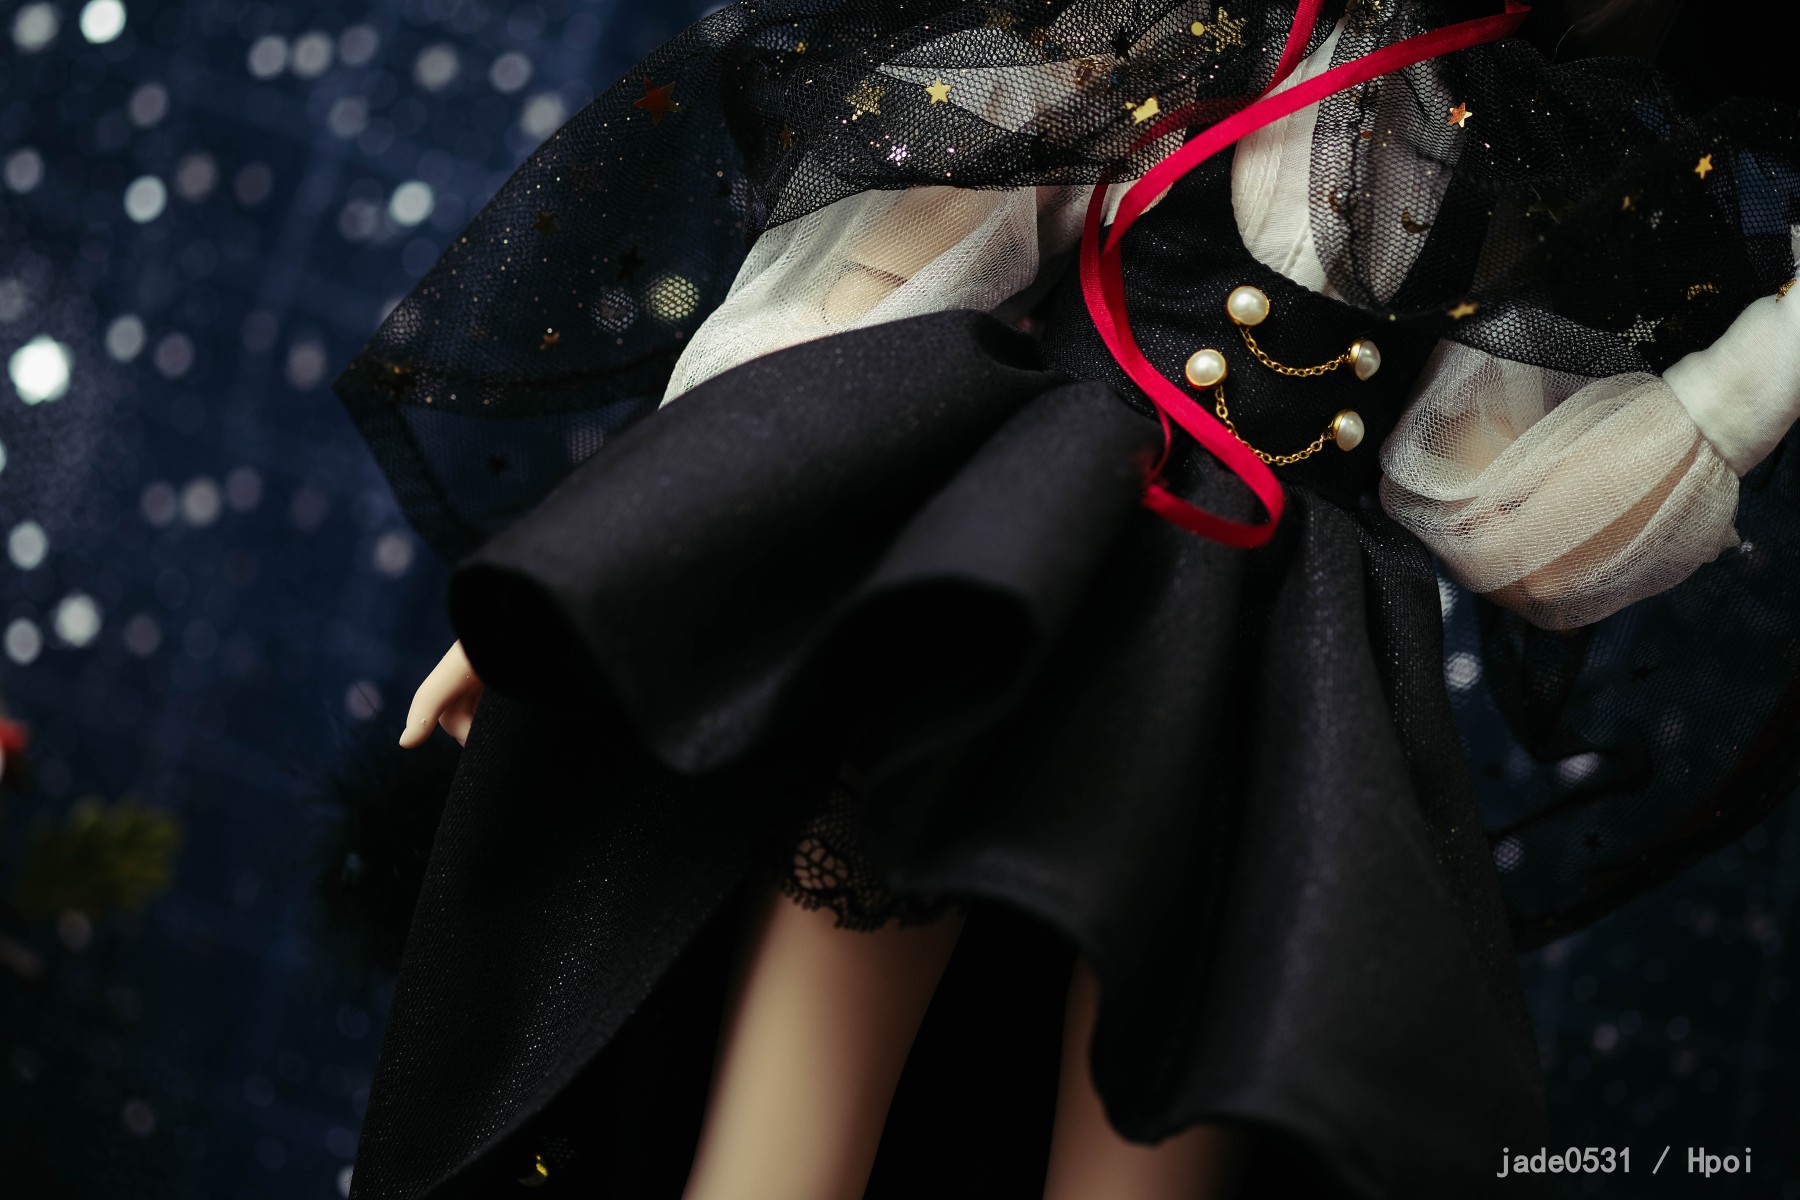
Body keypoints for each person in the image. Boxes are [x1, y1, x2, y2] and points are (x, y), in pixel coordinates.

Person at [334, 1, 1800, 1195]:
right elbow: (861, 290)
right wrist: (625, 553)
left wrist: (1762, 367)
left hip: (1270, 680)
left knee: (1169, 1113)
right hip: (1015, 572)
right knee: (789, 1143)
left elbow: (1497, 506)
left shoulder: (1533, 140)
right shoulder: (1170, 20)